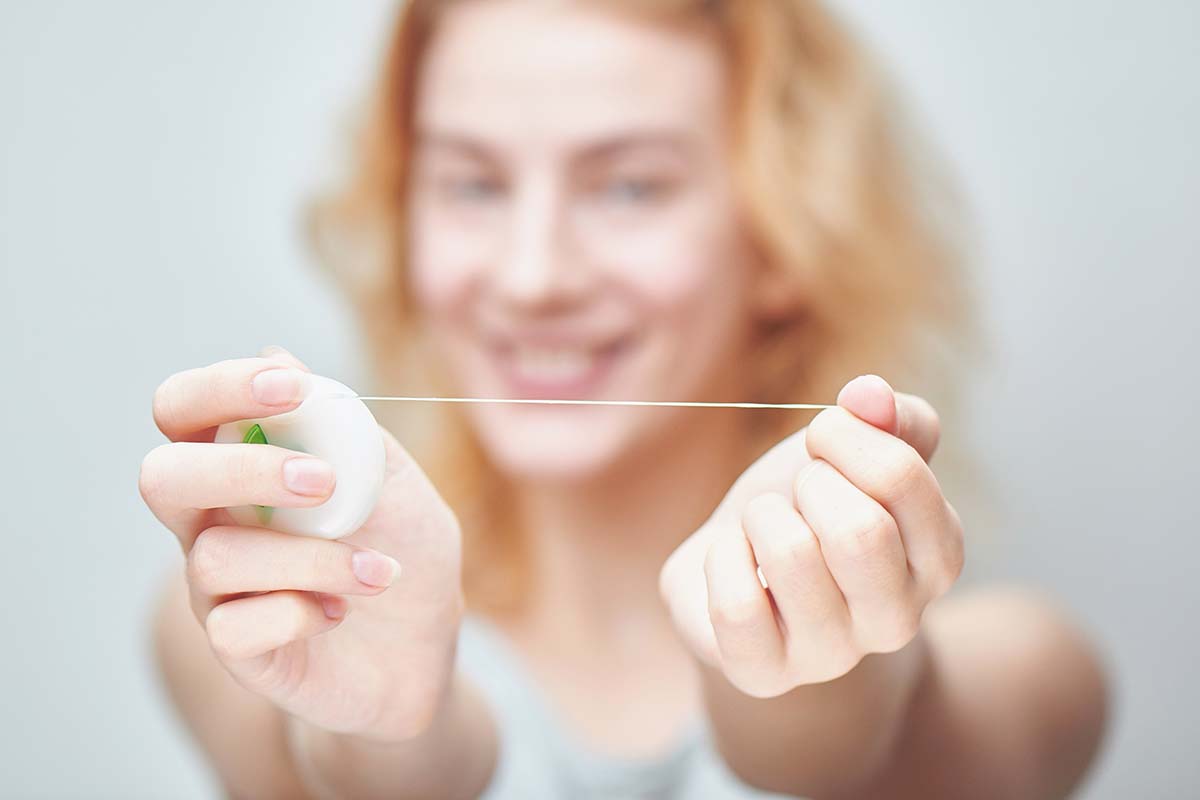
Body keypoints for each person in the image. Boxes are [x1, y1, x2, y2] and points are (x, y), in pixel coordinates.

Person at [140, 1, 1108, 797]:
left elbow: (877, 753)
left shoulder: (1029, 667)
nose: (531, 276)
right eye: (472, 184)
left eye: (631, 187)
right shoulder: (249, 621)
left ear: (782, 234)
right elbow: (356, 756)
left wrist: (806, 668)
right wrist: (390, 734)